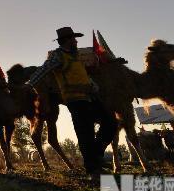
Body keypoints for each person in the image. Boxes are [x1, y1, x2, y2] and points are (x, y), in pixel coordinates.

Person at [27, 27, 119, 175]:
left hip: (90, 97)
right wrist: (29, 85)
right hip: (75, 100)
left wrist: (93, 85)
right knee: (86, 133)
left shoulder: (75, 56)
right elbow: (42, 71)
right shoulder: (58, 56)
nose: (76, 41)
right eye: (74, 39)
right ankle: (93, 168)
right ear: (67, 40)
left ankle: (95, 155)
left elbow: (82, 75)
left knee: (111, 122)